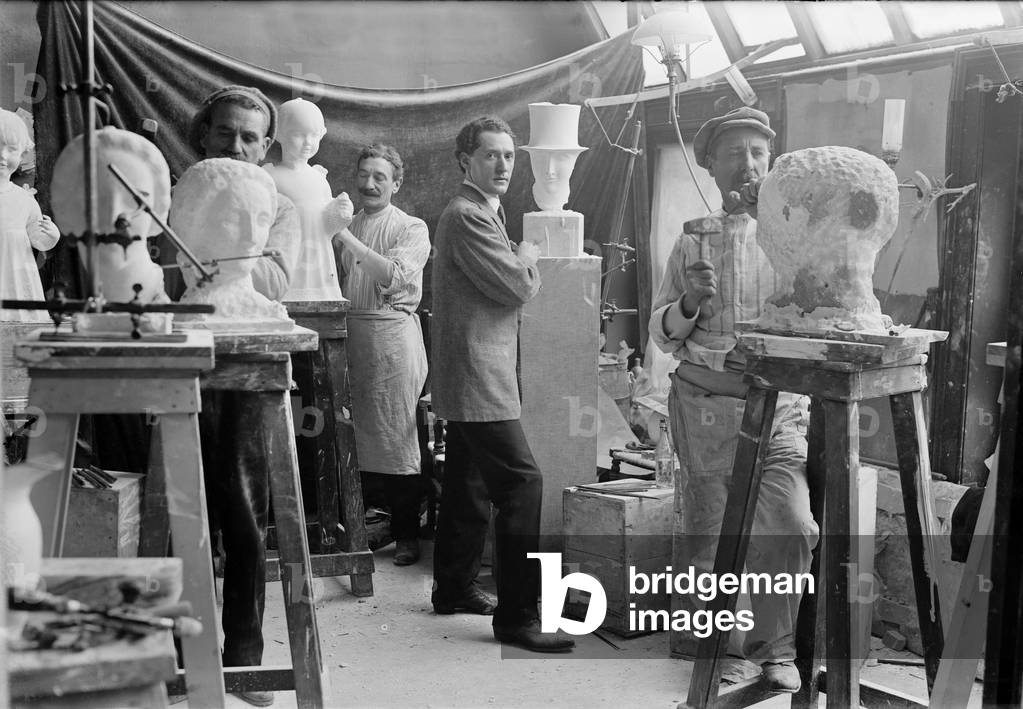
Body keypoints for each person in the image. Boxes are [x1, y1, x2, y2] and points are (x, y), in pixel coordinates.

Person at [648, 107, 819, 693]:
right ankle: (727, 650)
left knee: (789, 524)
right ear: (713, 168)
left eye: (757, 154)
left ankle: (778, 647)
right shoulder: (692, 238)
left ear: (770, 164)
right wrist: (690, 302)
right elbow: (662, 334)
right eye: (734, 155)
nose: (747, 166)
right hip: (704, 406)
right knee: (713, 530)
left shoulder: (795, 239)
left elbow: (821, 317)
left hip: (778, 409)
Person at [186, 85, 321, 708]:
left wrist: (215, 257)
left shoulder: (279, 205)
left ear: (265, 146)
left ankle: (244, 654)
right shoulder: (181, 194)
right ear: (205, 134)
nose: (236, 145)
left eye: (249, 137)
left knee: (244, 512)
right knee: (182, 514)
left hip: (246, 361)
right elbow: (155, 267)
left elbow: (271, 275)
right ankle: (180, 652)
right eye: (225, 134)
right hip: (179, 357)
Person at [430, 115, 573, 653]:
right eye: (490, 155)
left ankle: (452, 587)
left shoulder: (484, 211)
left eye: (509, 157)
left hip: (476, 366)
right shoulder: (468, 214)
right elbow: (515, 287)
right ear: (465, 160)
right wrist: (529, 256)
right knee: (522, 483)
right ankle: (516, 616)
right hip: (477, 370)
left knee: (467, 482)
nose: (502, 166)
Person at [335, 144, 430, 566]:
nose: (369, 184)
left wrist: (342, 235)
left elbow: (393, 276)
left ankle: (408, 534)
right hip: (350, 337)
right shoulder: (348, 225)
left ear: (396, 183)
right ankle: (361, 528)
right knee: (352, 437)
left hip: (392, 341)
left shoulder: (412, 227)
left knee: (397, 437)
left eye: (379, 177)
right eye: (363, 175)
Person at [0, 107, 60, 321]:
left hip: (16, 281)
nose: (2, 156)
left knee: (18, 336)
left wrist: (50, 236)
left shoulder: (24, 199)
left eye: (11, 149)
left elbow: (38, 239)